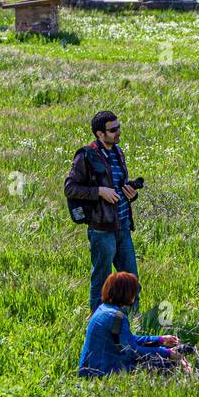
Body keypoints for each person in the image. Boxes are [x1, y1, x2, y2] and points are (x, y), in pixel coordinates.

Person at [65, 110, 141, 313]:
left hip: (123, 226)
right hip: (102, 229)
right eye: (113, 129)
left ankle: (133, 322)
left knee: (131, 279)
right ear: (99, 134)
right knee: (102, 280)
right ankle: (98, 323)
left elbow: (119, 186)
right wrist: (100, 191)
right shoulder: (86, 155)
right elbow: (70, 188)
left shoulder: (118, 152)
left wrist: (131, 193)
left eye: (119, 127)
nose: (118, 132)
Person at [77, 272, 189, 378]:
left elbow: (127, 340)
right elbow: (132, 351)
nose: (135, 295)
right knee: (168, 364)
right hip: (103, 371)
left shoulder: (103, 309)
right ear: (125, 293)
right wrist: (167, 353)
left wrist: (159, 340)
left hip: (90, 368)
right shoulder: (116, 317)